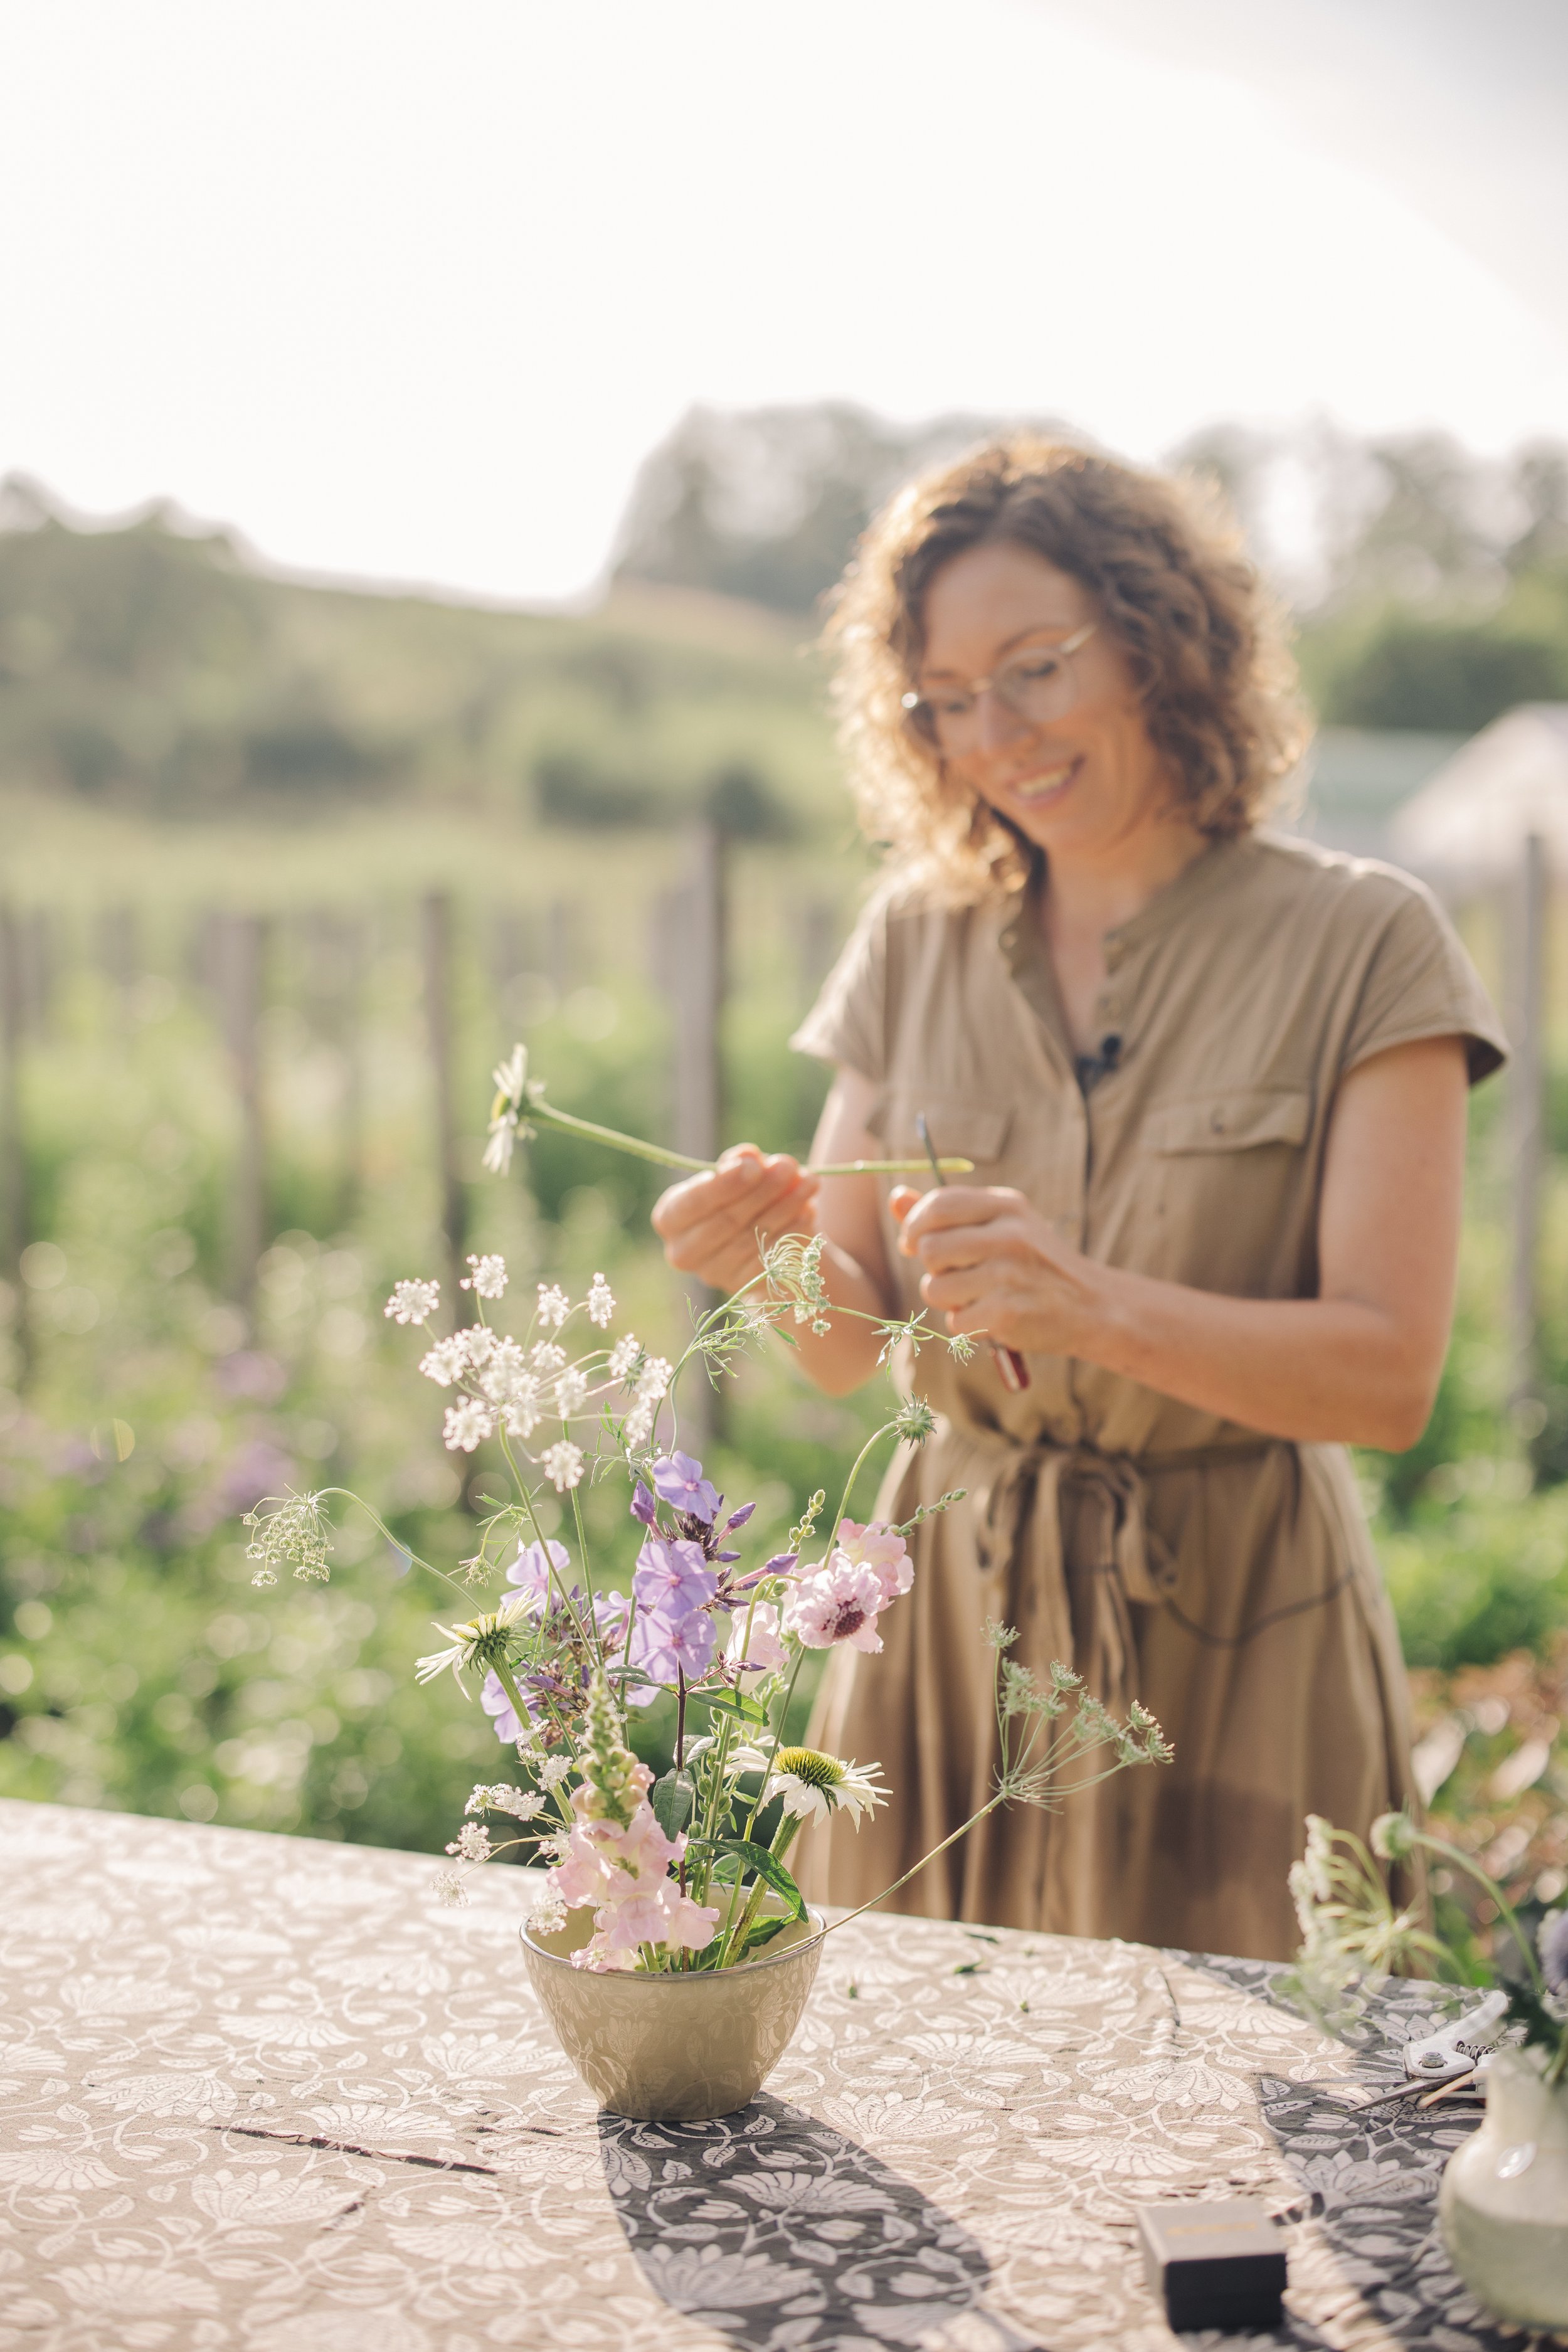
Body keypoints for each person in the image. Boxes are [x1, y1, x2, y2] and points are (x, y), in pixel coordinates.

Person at [652, 437, 1506, 1962]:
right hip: (940, 1637)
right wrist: (766, 1259)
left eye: (1036, 669)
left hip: (1242, 1628)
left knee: (1256, 2150)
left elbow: (1385, 1379)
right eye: (947, 698)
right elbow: (849, 1345)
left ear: (1159, 640)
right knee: (936, 2116)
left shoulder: (1367, 945)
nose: (994, 733)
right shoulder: (911, 939)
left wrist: (1092, 1309)